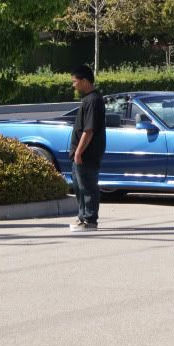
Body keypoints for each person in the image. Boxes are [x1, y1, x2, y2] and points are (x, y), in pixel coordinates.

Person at [69, 65, 106, 233]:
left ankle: (90, 220)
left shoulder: (93, 100)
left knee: (88, 186)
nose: (73, 85)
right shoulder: (88, 99)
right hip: (82, 153)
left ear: (84, 81)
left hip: (87, 154)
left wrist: (79, 151)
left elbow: (89, 130)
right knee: (79, 186)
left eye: (74, 81)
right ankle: (82, 216)